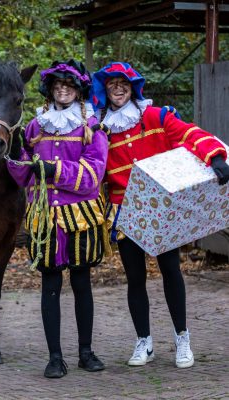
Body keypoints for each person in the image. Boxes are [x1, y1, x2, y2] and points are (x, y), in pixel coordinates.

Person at [92, 61, 229, 369]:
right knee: (135, 279)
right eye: (112, 84)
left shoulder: (153, 116)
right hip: (124, 212)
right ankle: (144, 342)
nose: (118, 88)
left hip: (161, 210)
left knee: (171, 272)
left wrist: (215, 156)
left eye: (123, 84)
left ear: (132, 88)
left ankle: (182, 338)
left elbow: (189, 133)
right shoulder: (100, 127)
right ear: (105, 89)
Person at [7, 60, 109, 378]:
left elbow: (94, 172)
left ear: (78, 91)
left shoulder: (92, 125)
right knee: (49, 286)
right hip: (46, 219)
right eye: (57, 85)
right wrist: (18, 153)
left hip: (80, 217)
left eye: (69, 85)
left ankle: (86, 352)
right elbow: (23, 176)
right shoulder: (36, 128)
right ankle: (54, 358)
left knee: (81, 284)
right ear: (50, 90)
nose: (62, 89)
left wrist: (56, 171)